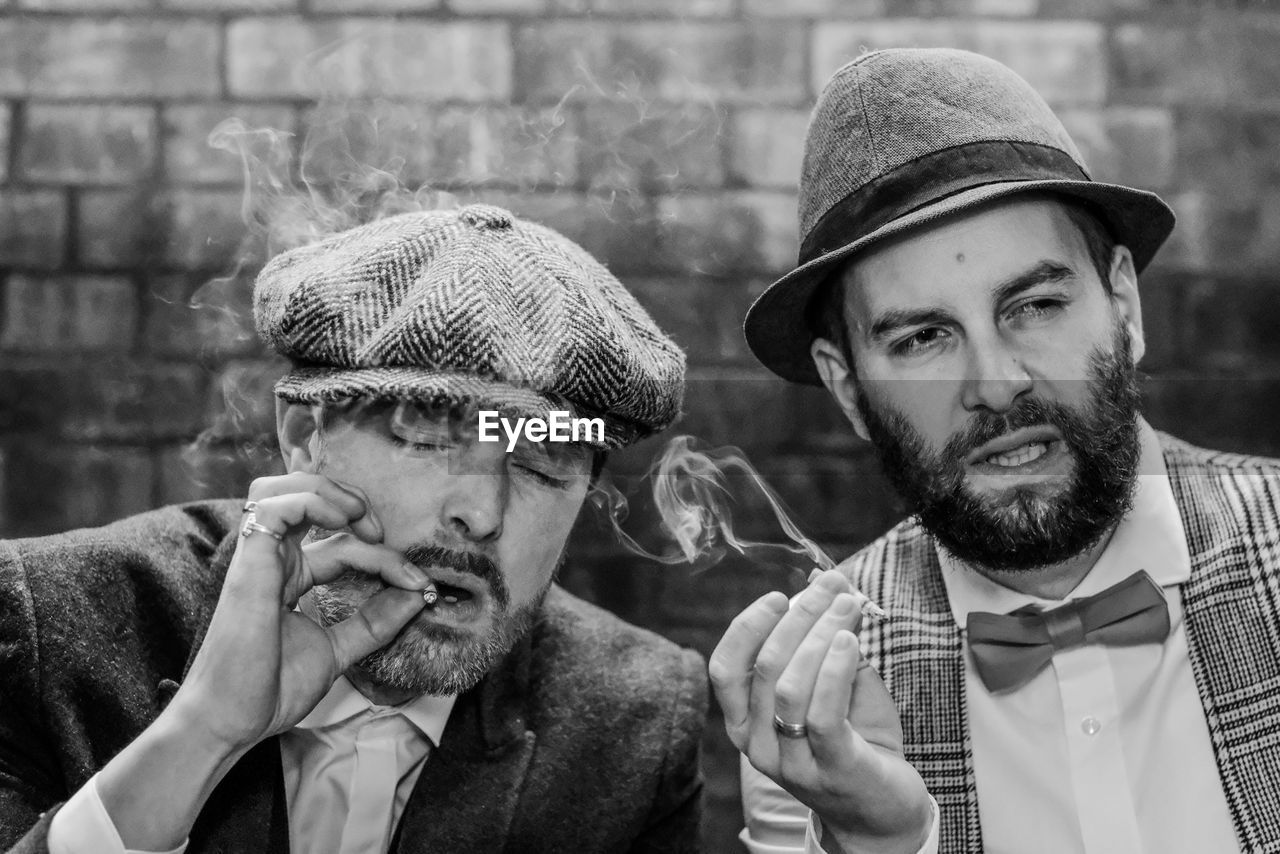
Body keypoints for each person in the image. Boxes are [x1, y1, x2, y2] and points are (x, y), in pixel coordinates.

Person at [710, 47, 1280, 854]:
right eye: (923, 337)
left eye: (1037, 303)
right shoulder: (815, 710)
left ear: (1123, 304)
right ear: (849, 392)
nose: (997, 382)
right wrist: (883, 840)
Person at [0, 203, 706, 854]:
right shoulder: (45, 626)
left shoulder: (637, 726)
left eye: (544, 464)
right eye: (431, 438)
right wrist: (203, 735)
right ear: (307, 436)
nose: (482, 514)